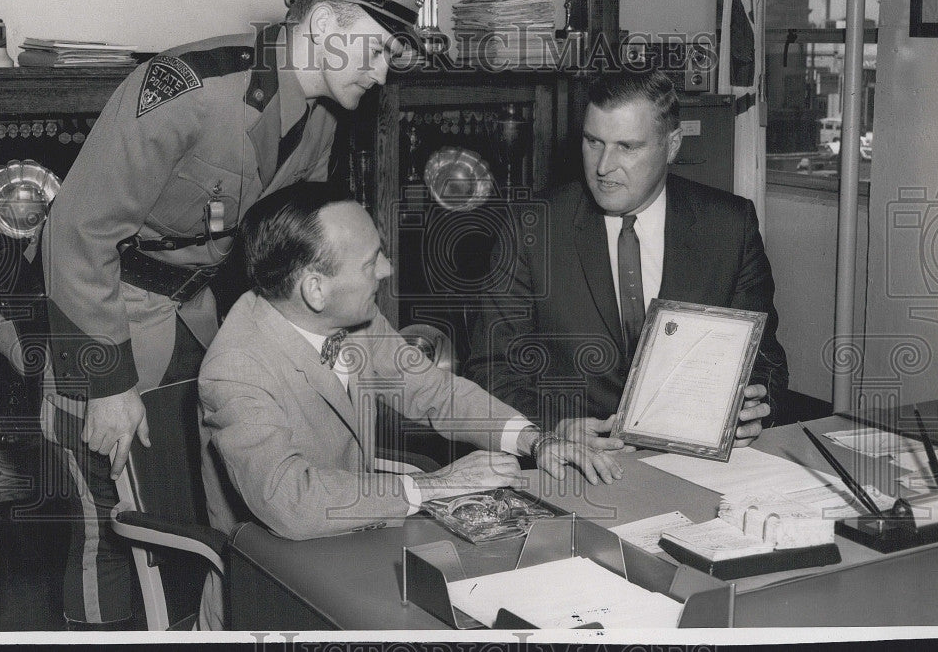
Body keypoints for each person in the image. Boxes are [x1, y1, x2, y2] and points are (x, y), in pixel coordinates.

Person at [39, 0, 434, 630]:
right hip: (108, 308)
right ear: (323, 26)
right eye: (377, 49)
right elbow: (77, 231)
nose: (382, 72)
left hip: (199, 315)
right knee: (110, 521)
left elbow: (277, 250)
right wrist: (104, 384)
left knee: (216, 504)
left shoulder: (320, 121)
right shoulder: (186, 88)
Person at [197, 183, 627, 629]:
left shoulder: (351, 317)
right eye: (370, 262)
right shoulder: (235, 367)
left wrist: (537, 442)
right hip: (272, 580)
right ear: (315, 290)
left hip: (359, 541)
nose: (386, 269)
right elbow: (290, 500)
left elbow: (435, 393)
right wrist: (436, 486)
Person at [465, 69, 788, 438]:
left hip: (689, 463)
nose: (603, 166)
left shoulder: (730, 225)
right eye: (593, 142)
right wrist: (555, 428)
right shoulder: (531, 227)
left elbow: (766, 362)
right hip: (569, 462)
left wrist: (756, 410)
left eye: (627, 147)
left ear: (673, 145)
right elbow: (491, 368)